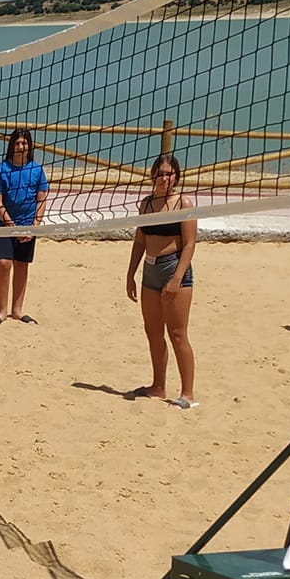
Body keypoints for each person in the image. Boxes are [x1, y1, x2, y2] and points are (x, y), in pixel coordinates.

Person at [125, 152, 198, 409]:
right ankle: (158, 386)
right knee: (153, 332)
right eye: (161, 173)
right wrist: (130, 274)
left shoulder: (183, 204)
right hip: (150, 271)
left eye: (169, 173)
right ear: (153, 175)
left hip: (174, 269)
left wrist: (177, 277)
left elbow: (190, 244)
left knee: (178, 334)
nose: (165, 178)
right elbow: (140, 241)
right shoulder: (145, 204)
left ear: (176, 177)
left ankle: (187, 394)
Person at [0, 128, 47, 325]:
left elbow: (41, 200)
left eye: (24, 143)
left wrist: (34, 226)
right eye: (17, 143)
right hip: (5, 225)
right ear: (12, 146)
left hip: (29, 225)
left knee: (22, 265)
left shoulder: (37, 170)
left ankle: (17, 310)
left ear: (29, 146)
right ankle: (2, 311)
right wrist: (11, 224)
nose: (21, 146)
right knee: (4, 263)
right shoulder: (1, 169)